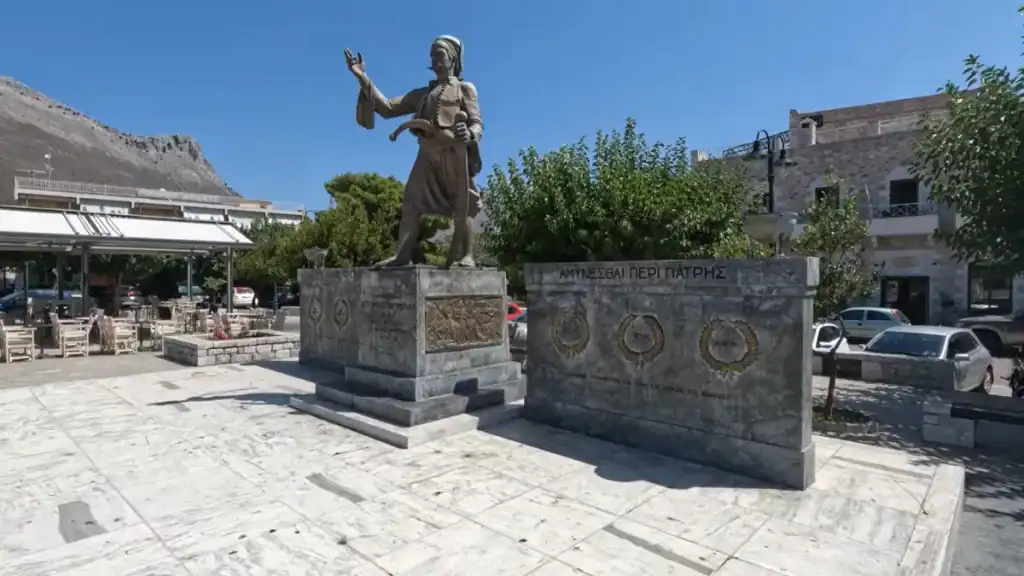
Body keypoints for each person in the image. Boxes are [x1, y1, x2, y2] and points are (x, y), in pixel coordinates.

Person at [344, 35, 483, 268]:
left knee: (463, 203)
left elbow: (477, 123)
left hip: (453, 153)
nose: (435, 62)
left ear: (453, 59)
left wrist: (469, 133)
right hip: (427, 155)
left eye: (440, 56)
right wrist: (360, 75)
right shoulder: (422, 94)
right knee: (411, 201)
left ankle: (465, 256)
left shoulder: (465, 89)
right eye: (432, 57)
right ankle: (403, 255)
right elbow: (387, 108)